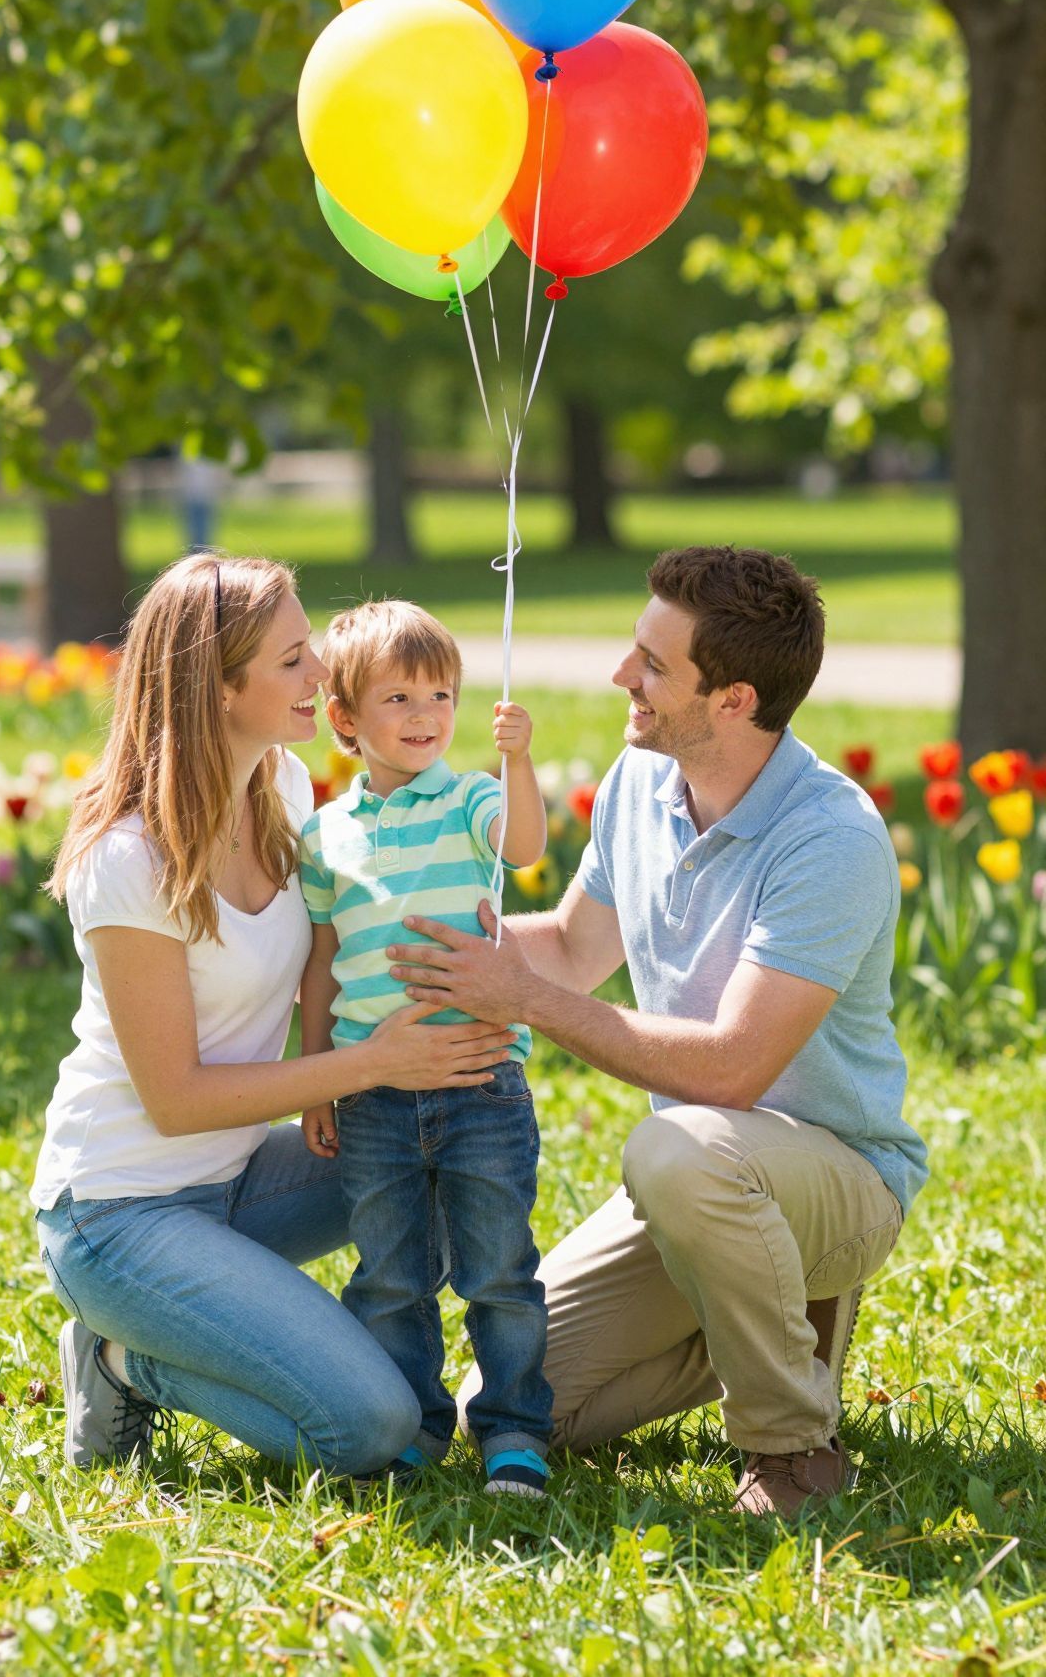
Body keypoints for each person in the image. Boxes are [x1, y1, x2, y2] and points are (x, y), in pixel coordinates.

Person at [385, 547, 929, 1518]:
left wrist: (522, 998)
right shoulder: (641, 779)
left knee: (674, 1147)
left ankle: (791, 1446)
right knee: (502, 1406)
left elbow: (732, 1065)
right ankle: (764, 1321)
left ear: (734, 698)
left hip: (831, 1173)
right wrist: (419, 933)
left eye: (653, 663)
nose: (620, 675)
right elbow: (576, 945)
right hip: (705, 1176)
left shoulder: (829, 836)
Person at [32, 555, 515, 1477]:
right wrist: (370, 1066)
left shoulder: (286, 791)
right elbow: (174, 1100)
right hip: (118, 1214)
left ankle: (227, 1323)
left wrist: (479, 955)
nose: (324, 676)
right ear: (219, 689)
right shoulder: (124, 859)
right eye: (294, 660)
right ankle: (124, 1361)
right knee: (371, 1430)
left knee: (452, 1155)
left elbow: (339, 948)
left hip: (242, 1180)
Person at [298, 600, 553, 1498]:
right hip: (375, 1096)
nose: (423, 715)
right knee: (390, 1274)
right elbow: (322, 966)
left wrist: (515, 761)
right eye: (398, 696)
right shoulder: (325, 834)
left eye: (439, 694)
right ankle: (412, 1421)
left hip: (481, 1081)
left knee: (499, 1269)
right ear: (345, 720)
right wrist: (317, 1084)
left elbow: (524, 846)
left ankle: (516, 1428)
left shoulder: (474, 798)